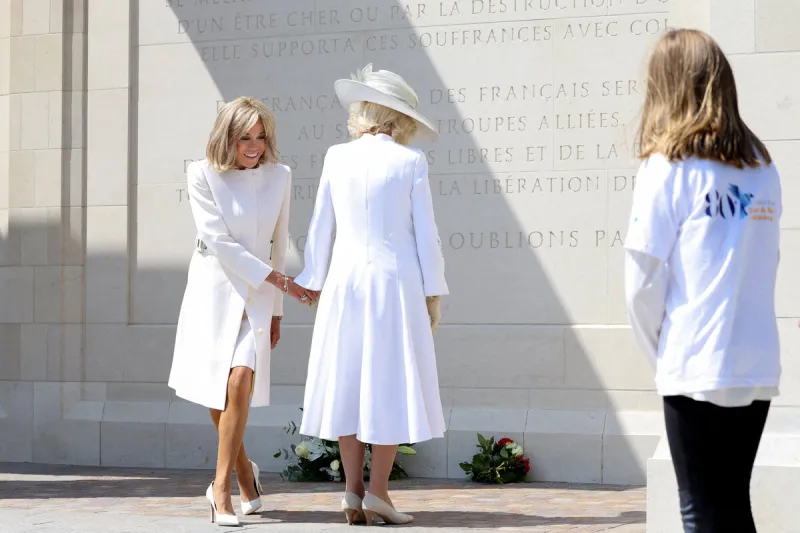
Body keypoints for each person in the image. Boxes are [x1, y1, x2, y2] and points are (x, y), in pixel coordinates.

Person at [624, 29, 781, 533]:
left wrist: (663, 356)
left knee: (700, 511)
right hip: (754, 359)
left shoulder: (667, 166)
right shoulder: (762, 166)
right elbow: (767, 262)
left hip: (694, 359)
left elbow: (641, 283)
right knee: (734, 505)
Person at [293, 64, 448, 526]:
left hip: (344, 284)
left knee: (348, 380)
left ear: (362, 112)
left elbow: (320, 226)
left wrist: (313, 280)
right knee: (388, 382)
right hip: (394, 285)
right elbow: (427, 237)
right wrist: (433, 293)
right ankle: (378, 491)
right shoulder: (410, 162)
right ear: (399, 118)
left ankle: (352, 491)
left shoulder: (335, 157)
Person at [168, 97, 317, 527]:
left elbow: (279, 241)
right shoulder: (201, 173)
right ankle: (243, 472)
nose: (254, 146)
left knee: (238, 384)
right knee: (219, 392)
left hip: (257, 300)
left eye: (260, 136)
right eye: (244, 137)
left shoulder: (280, 176)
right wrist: (284, 285)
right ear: (226, 137)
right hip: (212, 294)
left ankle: (220, 491)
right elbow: (217, 240)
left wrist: (276, 313)